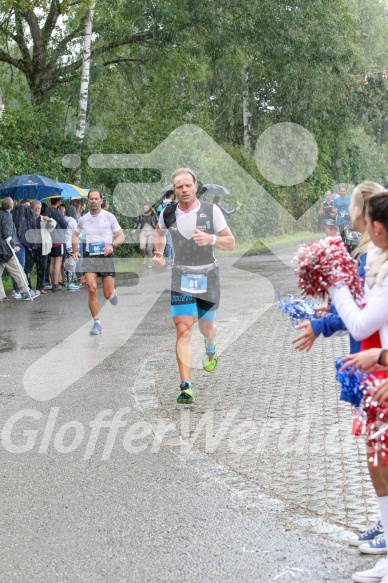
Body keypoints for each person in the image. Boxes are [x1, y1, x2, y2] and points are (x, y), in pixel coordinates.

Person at [325, 192, 388, 583]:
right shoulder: (378, 261)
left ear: (376, 226)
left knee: (381, 463)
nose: (362, 224)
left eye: (364, 218)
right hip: (378, 372)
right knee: (378, 463)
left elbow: (362, 325)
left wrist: (333, 282)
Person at [152, 168, 235, 404]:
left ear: (196, 186)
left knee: (205, 328)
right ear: (174, 190)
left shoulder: (211, 210)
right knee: (183, 329)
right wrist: (158, 252)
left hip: (208, 274)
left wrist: (212, 239)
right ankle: (186, 385)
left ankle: (211, 343)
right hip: (181, 276)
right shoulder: (168, 213)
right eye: (179, 187)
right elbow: (159, 232)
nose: (184, 190)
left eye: (188, 185)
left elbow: (231, 242)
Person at [72, 188, 125, 335]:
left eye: (96, 198)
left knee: (107, 294)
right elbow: (75, 235)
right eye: (91, 199)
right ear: (88, 200)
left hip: (105, 256)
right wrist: (75, 251)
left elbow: (121, 236)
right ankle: (97, 323)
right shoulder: (83, 219)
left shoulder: (109, 217)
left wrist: (112, 246)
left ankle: (112, 293)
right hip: (90, 256)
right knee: (92, 289)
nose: (94, 201)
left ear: (101, 200)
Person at [0, 197, 39, 301]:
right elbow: (7, 234)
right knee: (18, 270)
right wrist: (13, 246)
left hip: (0, 249)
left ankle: (1, 295)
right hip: (6, 250)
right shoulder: (7, 217)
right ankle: (25, 291)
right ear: (11, 206)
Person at [30, 201, 56, 294]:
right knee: (29, 268)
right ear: (31, 209)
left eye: (38, 208)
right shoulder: (29, 219)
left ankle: (40, 287)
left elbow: (52, 226)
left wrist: (49, 220)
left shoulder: (44, 219)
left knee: (42, 268)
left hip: (43, 247)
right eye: (35, 208)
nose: (37, 209)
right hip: (31, 247)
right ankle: (28, 288)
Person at [11, 200, 36, 296]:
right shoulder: (25, 217)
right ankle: (19, 290)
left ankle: (17, 289)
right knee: (19, 268)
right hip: (19, 244)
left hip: (12, 244)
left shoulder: (13, 215)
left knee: (16, 267)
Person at [44, 197, 68, 291]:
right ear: (58, 202)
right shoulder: (57, 212)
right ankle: (55, 283)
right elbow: (65, 224)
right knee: (58, 262)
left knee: (52, 262)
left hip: (50, 239)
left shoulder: (46, 211)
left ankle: (52, 281)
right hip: (59, 238)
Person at [133, 202, 158, 268]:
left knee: (149, 248)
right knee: (142, 247)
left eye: (146, 208)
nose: (145, 209)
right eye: (144, 208)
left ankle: (150, 263)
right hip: (143, 232)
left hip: (151, 232)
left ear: (149, 208)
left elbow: (157, 223)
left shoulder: (153, 214)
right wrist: (135, 230)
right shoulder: (141, 214)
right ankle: (144, 257)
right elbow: (137, 222)